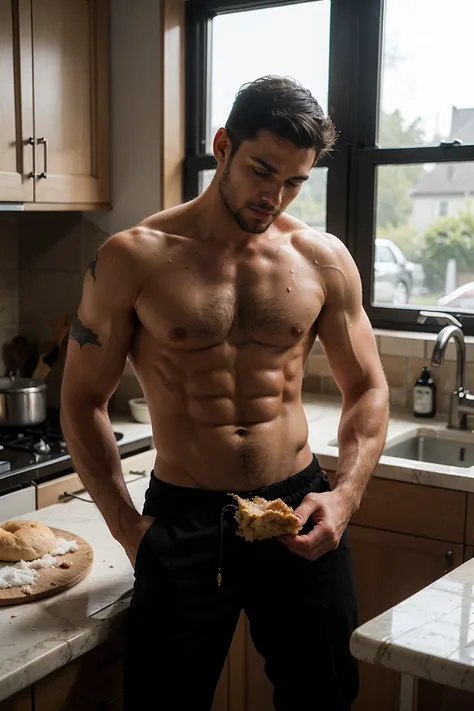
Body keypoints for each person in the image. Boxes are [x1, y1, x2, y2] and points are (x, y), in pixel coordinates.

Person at [60, 75, 389, 711]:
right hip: (183, 520)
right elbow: (81, 400)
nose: (275, 195)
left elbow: (368, 386)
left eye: (295, 180)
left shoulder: (321, 258)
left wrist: (345, 497)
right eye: (263, 170)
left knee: (325, 697)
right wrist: (129, 528)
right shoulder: (133, 256)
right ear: (222, 145)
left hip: (298, 509)